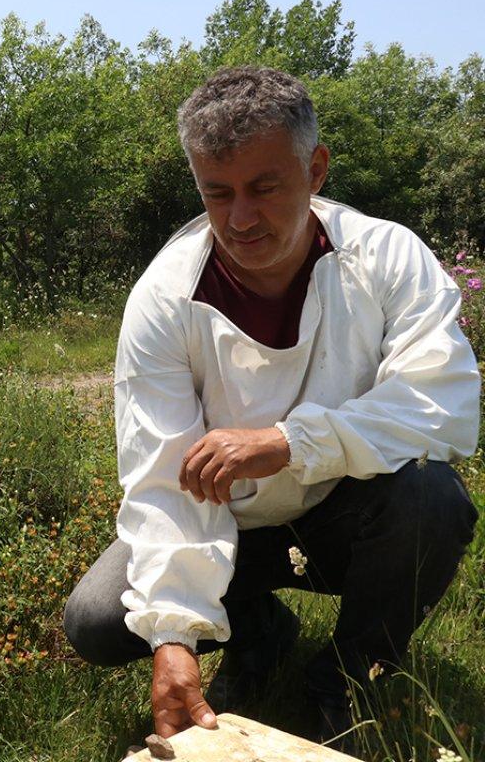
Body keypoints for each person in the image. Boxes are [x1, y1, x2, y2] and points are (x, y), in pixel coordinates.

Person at [62, 66, 479, 746]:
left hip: (352, 510)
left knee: (433, 499)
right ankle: (259, 637)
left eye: (264, 187)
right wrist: (172, 633)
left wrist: (290, 442)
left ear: (315, 169)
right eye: (216, 192)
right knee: (98, 619)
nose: (240, 218)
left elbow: (445, 405)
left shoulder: (386, 257)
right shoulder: (165, 298)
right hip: (232, 522)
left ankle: (347, 681)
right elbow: (165, 479)